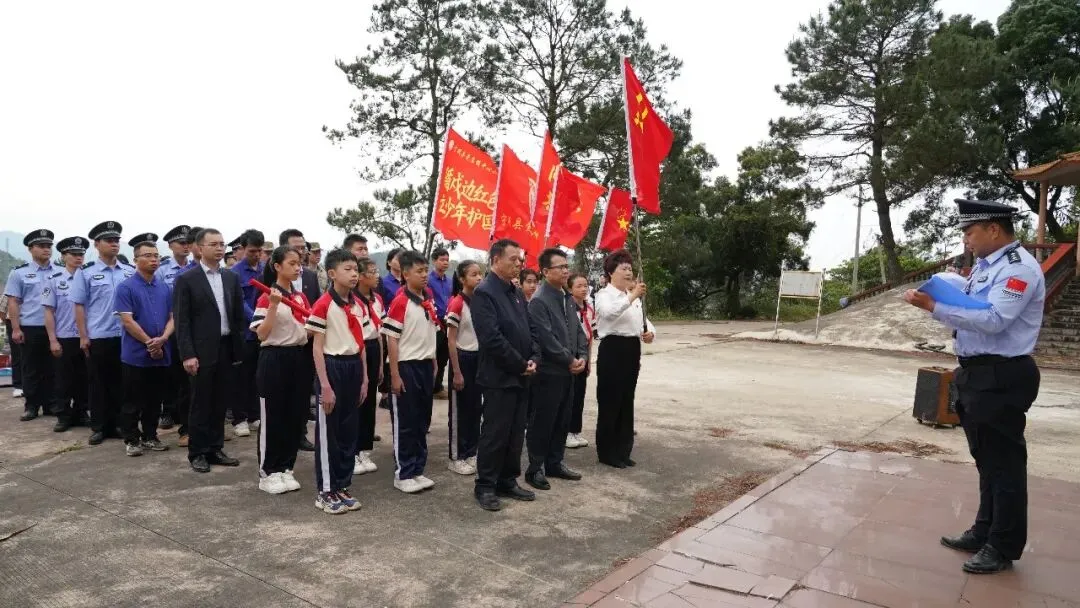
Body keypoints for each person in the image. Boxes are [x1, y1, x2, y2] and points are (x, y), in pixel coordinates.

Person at [903, 199, 1045, 575]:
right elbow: (970, 308)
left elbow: (995, 319)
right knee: (987, 461)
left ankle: (1003, 545)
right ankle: (985, 531)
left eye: (970, 232)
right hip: (977, 373)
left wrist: (934, 307)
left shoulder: (1018, 268)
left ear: (993, 229)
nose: (966, 240)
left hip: (1003, 374)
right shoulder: (985, 267)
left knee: (1005, 465)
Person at [471, 239, 540, 511]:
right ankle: (486, 485)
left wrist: (533, 358)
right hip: (499, 377)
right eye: (513, 259)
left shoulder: (515, 292)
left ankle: (507, 480)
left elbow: (530, 329)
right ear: (496, 260)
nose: (518, 263)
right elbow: (491, 338)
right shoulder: (484, 293)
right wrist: (520, 363)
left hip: (522, 375)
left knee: (515, 433)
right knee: (495, 433)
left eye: (520, 259)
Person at [174, 228, 247, 473]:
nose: (219, 248)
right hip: (201, 350)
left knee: (220, 401)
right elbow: (182, 321)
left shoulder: (230, 277)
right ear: (200, 247)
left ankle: (215, 448)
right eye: (213, 244)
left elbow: (237, 316)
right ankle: (198, 452)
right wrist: (187, 354)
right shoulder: (187, 279)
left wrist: (238, 348)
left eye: (222, 244)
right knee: (200, 402)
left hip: (226, 347)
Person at [305, 249, 370, 513]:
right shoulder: (323, 305)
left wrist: (365, 378)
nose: (354, 274)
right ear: (332, 273)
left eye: (356, 269)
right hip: (332, 367)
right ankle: (326, 490)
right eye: (347, 269)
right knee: (329, 432)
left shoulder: (358, 305)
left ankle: (343, 484)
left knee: (348, 431)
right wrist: (325, 385)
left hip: (354, 366)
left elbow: (361, 344)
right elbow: (317, 348)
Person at [250, 246, 311, 495]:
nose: (298, 268)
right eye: (292, 263)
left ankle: (286, 466)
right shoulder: (266, 297)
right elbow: (261, 334)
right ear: (277, 266)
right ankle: (268, 472)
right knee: (273, 416)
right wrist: (274, 306)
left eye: (299, 263)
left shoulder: (300, 297)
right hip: (274, 357)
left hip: (299, 357)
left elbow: (307, 330)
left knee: (295, 416)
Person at [524, 249, 587, 490]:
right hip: (549, 371)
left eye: (566, 266)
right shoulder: (539, 300)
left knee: (562, 419)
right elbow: (545, 337)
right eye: (560, 267)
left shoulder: (566, 297)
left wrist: (582, 356)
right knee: (543, 420)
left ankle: (555, 462)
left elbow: (578, 331)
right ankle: (535, 468)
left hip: (568, 370)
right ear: (545, 271)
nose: (565, 270)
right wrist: (569, 359)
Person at [73, 221, 136, 445]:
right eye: (109, 240)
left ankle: (119, 424)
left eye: (116, 240)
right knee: (98, 383)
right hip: (99, 335)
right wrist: (83, 336)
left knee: (122, 383)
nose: (114, 244)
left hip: (126, 335)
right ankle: (99, 427)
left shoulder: (129, 271)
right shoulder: (86, 272)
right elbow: (79, 306)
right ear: (97, 244)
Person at [381, 250, 439, 494]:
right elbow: (392, 339)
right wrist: (395, 374)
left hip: (425, 364)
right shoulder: (400, 301)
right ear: (405, 274)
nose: (425, 275)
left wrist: (433, 360)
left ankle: (417, 469)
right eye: (419, 271)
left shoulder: (428, 297)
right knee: (406, 421)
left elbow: (430, 331)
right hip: (407, 366)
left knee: (422, 420)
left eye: (426, 270)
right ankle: (403, 472)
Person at [594, 249, 654, 469]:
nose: (629, 272)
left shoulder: (633, 297)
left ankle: (623, 450)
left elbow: (644, 321)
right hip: (613, 349)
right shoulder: (604, 295)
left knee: (627, 400)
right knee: (611, 400)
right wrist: (632, 296)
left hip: (631, 349)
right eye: (624, 268)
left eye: (630, 268)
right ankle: (607, 452)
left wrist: (650, 333)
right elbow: (608, 313)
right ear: (611, 272)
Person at [114, 233, 173, 457]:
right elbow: (127, 320)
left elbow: (173, 317)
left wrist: (163, 339)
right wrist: (150, 342)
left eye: (156, 256)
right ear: (136, 259)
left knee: (154, 399)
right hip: (136, 354)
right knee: (132, 400)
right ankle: (131, 439)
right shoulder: (126, 287)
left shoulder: (165, 287)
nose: (154, 260)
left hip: (161, 352)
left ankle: (150, 436)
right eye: (148, 256)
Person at [4, 229, 57, 421]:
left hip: (56, 328)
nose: (46, 249)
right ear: (30, 249)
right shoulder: (19, 273)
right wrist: (16, 328)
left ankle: (51, 404)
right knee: (30, 367)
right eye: (41, 246)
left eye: (49, 246)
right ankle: (32, 406)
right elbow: (13, 302)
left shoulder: (59, 271)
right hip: (30, 326)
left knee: (53, 367)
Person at [43, 237, 91, 432]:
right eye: (74, 254)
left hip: (87, 336)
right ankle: (63, 415)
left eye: (81, 254)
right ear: (63, 257)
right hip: (65, 336)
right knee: (63, 379)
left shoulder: (89, 277)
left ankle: (81, 412)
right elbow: (48, 312)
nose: (78, 258)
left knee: (84, 378)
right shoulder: (54, 280)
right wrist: (52, 339)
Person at [280, 229, 321, 452]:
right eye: (296, 247)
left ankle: (301, 433)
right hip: (282, 344)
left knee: (303, 391)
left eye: (303, 247)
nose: (301, 251)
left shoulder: (311, 276)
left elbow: (315, 308)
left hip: (306, 342)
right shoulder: (271, 279)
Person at [445, 260, 482, 476]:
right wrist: (457, 371)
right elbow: (451, 340)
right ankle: (456, 456)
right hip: (462, 358)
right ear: (462, 279)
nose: (479, 278)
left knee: (475, 408)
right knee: (460, 411)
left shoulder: (479, 302)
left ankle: (471, 451)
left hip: (478, 358)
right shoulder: (457, 303)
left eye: (480, 274)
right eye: (474, 274)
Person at [155, 225, 192, 432]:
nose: (185, 247)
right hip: (168, 327)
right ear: (170, 246)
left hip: (188, 326)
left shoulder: (194, 268)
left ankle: (184, 413)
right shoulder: (162, 270)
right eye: (181, 243)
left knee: (187, 374)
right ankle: (168, 411)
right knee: (169, 372)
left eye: (188, 243)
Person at [230, 229, 266, 438]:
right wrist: (256, 319)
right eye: (252, 251)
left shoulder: (264, 269)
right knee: (241, 378)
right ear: (243, 249)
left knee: (257, 377)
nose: (256, 255)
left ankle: (254, 415)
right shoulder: (235, 273)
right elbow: (239, 302)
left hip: (263, 333)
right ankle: (239, 418)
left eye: (259, 251)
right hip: (245, 333)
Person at [352, 256, 384, 474]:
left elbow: (379, 333)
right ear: (361, 277)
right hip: (357, 350)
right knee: (357, 400)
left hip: (373, 348)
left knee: (371, 400)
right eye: (373, 272)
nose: (377, 276)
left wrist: (380, 363)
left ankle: (364, 448)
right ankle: (352, 451)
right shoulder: (352, 301)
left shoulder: (377, 299)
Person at [566, 273, 596, 449]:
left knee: (580, 395)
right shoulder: (566, 307)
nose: (584, 289)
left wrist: (589, 360)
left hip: (584, 354)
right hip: (570, 354)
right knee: (569, 395)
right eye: (579, 286)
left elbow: (590, 337)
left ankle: (575, 430)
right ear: (570, 289)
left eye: (585, 285)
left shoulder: (589, 309)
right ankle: (566, 431)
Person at [428, 247, 452, 399]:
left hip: (448, 323)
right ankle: (429, 386)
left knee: (444, 356)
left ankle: (437, 387)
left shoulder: (450, 281)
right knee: (433, 355)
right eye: (442, 260)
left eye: (447, 260)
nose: (445, 263)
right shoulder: (428, 280)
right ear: (434, 261)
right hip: (434, 323)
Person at [1, 294, 22, 399]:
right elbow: (2, 310)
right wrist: (10, 324)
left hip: (31, 322)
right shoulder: (11, 288)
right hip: (13, 322)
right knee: (17, 354)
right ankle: (18, 386)